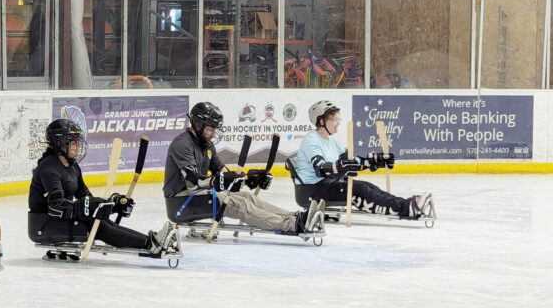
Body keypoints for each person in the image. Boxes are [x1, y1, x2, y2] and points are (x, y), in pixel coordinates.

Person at [163, 102, 323, 234]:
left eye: (214, 129)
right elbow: (194, 181)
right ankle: (292, 226)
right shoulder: (182, 144)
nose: (213, 134)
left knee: (247, 197)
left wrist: (250, 179)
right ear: (197, 124)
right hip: (181, 203)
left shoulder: (207, 145)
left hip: (197, 196)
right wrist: (220, 181)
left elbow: (223, 172)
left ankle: (295, 218)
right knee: (237, 204)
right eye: (210, 129)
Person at [27, 118, 176, 256]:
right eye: (73, 143)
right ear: (60, 144)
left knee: (102, 221)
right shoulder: (49, 168)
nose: (78, 146)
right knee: (97, 226)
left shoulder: (73, 167)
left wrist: (112, 205)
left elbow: (86, 197)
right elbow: (55, 207)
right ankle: (149, 244)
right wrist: (84, 207)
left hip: (59, 221)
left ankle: (151, 241)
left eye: (78, 142)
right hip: (45, 226)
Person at [295, 100, 431, 218]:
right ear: (321, 121)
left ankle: (407, 205)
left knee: (368, 186)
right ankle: (406, 208)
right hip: (311, 190)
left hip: (326, 185)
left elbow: (350, 161)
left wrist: (374, 161)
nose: (338, 123)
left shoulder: (330, 140)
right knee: (359, 189)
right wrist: (343, 166)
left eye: (338, 119)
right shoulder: (311, 140)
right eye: (335, 120)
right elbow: (321, 169)